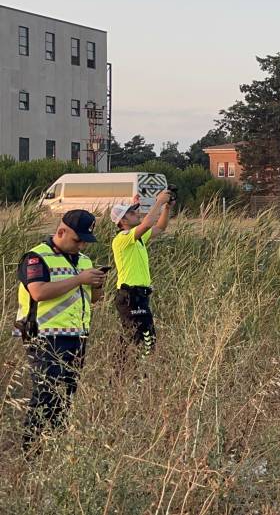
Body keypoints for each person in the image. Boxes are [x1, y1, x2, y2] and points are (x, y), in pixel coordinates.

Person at [14, 209, 106, 450]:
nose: (82, 245)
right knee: (46, 394)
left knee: (66, 396)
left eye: (86, 240)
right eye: (78, 240)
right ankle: (30, 450)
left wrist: (96, 284)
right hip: (44, 337)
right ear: (61, 231)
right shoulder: (36, 258)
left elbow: (94, 298)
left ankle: (56, 446)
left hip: (77, 337)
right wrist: (79, 279)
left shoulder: (83, 261)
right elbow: (39, 292)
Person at [110, 189, 172, 358]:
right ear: (122, 220)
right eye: (131, 212)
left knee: (138, 339)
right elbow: (147, 224)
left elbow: (160, 227)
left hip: (139, 296)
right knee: (140, 340)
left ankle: (125, 375)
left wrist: (166, 208)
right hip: (130, 295)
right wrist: (158, 202)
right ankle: (129, 375)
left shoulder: (137, 238)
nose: (136, 213)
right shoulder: (122, 238)